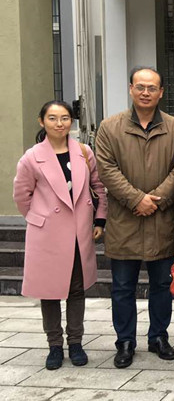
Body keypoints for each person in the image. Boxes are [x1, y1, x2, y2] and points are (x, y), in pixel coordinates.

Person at [95, 66, 174, 369]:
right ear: (131, 89)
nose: (146, 92)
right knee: (123, 287)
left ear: (161, 93)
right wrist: (136, 199)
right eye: (140, 87)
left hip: (161, 220)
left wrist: (155, 200)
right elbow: (106, 169)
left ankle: (158, 336)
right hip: (125, 220)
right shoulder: (109, 127)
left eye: (152, 88)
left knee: (162, 284)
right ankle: (125, 341)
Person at [13, 101, 108, 370]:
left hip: (79, 232)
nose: (59, 123)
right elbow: (21, 195)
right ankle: (54, 344)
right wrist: (39, 218)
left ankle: (75, 342)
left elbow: (98, 186)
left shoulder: (84, 152)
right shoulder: (32, 157)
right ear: (42, 121)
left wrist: (100, 218)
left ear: (72, 121)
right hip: (47, 234)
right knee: (50, 291)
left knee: (76, 289)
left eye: (65, 118)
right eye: (53, 118)